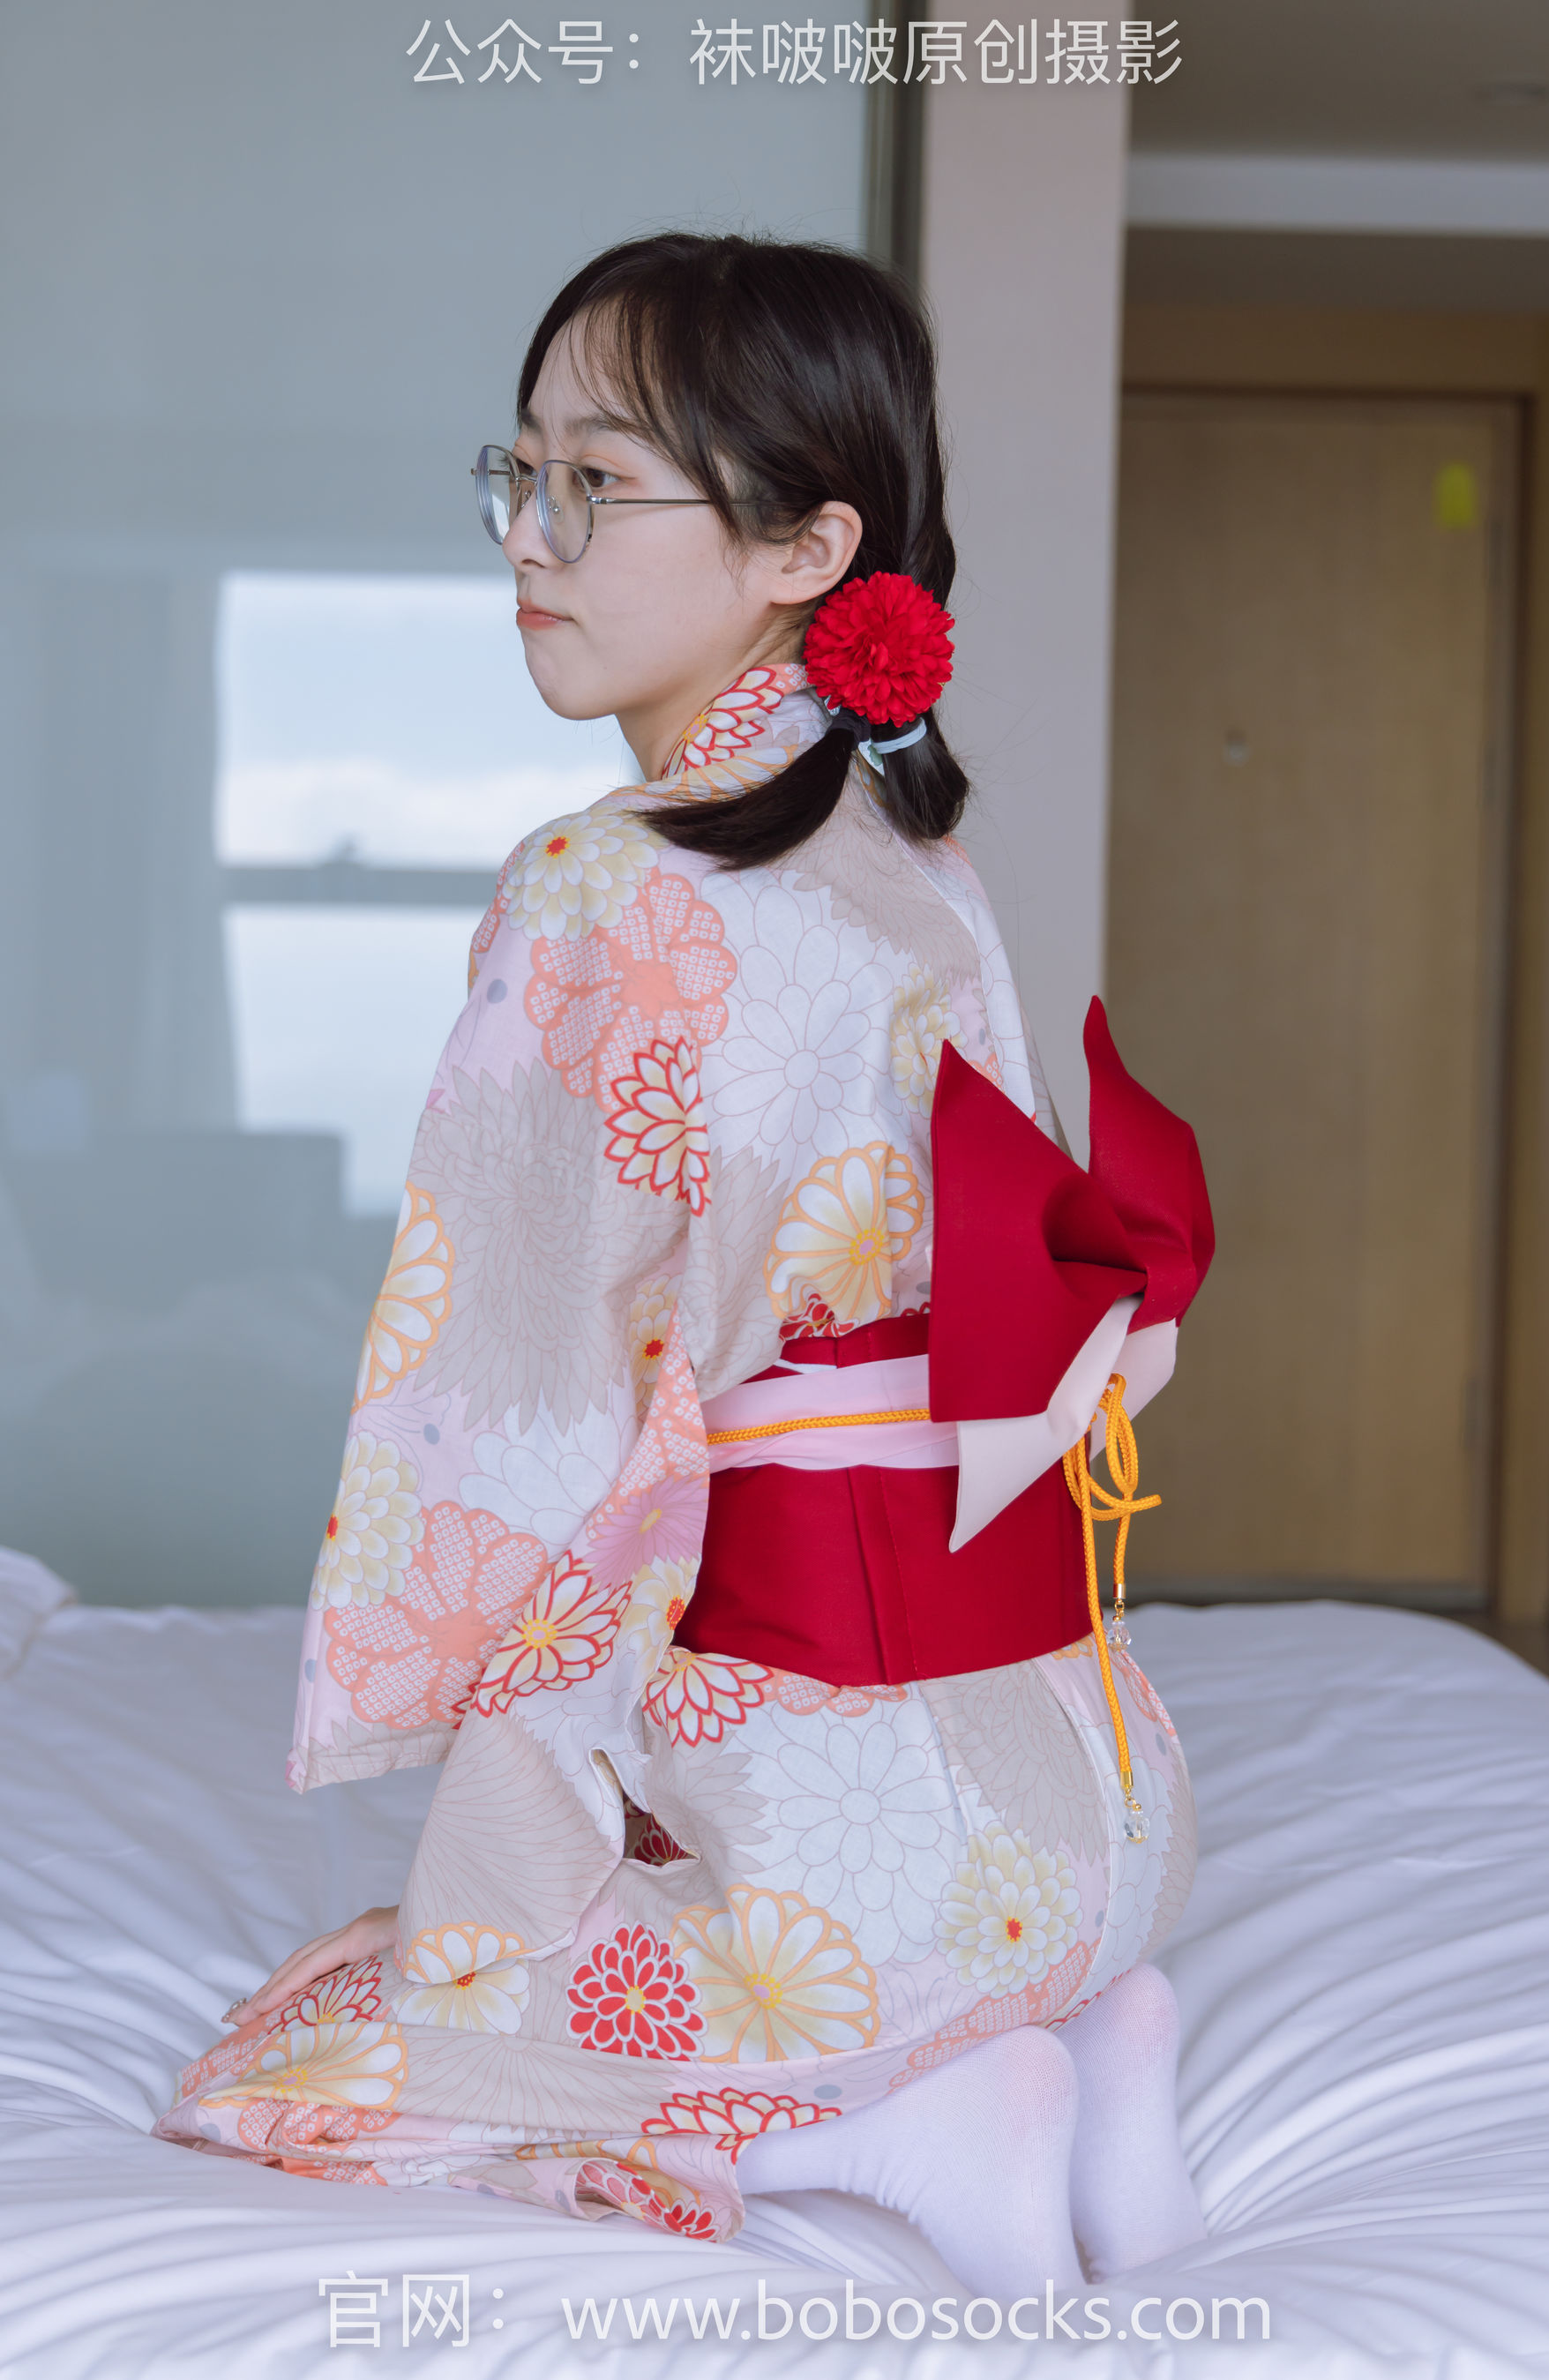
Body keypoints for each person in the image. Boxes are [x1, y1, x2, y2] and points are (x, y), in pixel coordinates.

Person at [153, 231, 1212, 2299]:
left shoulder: (598, 883)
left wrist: (466, 1846)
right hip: (1088, 1818)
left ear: (809, 547)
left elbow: (514, 1404)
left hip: (838, 1866)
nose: (529, 538)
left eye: (597, 484)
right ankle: (1085, 2041)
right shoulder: (925, 873)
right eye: (519, 471)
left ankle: (898, 2117)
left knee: (296, 2065)